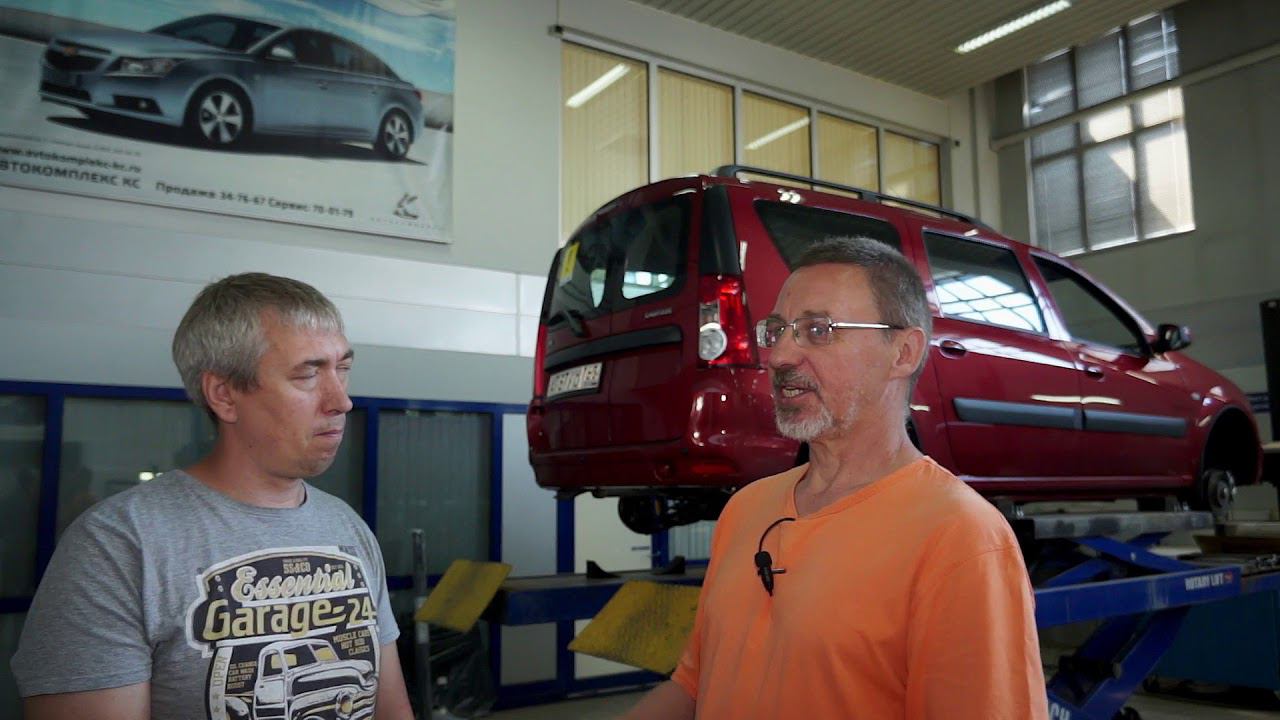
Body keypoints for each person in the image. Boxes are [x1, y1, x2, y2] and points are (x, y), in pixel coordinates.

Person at [624, 237, 1047, 719]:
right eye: (777, 330)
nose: (780, 356)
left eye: (818, 330)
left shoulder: (961, 538)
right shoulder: (747, 508)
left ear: (903, 352)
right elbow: (695, 684)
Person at [13, 273, 414, 720]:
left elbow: (389, 709)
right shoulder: (118, 545)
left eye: (342, 369)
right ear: (224, 395)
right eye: (307, 374)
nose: (341, 401)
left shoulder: (346, 527)